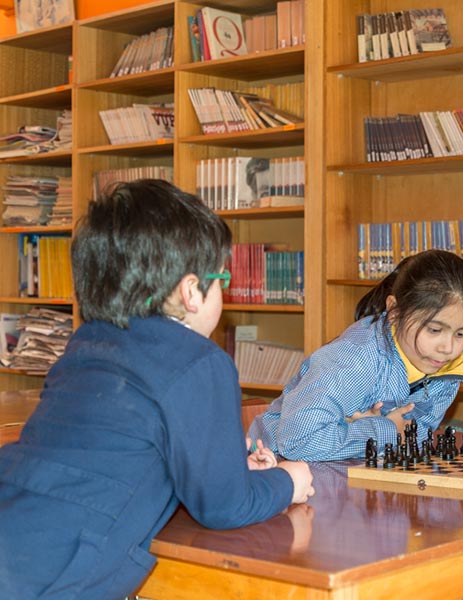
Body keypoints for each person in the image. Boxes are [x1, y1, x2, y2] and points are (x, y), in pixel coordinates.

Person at [0, 179, 314, 600]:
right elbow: (224, 507)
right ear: (190, 292)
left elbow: (128, 450)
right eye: (220, 279)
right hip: (63, 575)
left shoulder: (88, 342)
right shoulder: (199, 362)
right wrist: (286, 481)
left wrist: (230, 465)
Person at [248, 248, 463, 461]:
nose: (449, 348)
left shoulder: (448, 368)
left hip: (354, 476)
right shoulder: (354, 359)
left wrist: (370, 432)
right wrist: (382, 430)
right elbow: (298, 441)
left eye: (461, 334)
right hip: (276, 469)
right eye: (434, 330)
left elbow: (417, 434)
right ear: (394, 311)